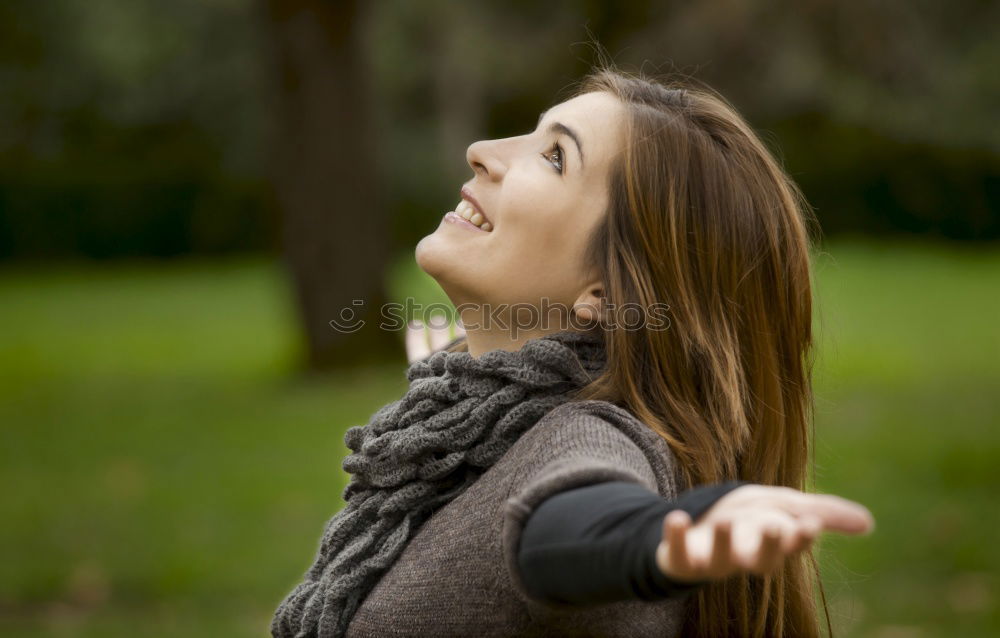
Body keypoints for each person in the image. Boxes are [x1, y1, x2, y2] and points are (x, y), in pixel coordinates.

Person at [271, 64, 875, 638]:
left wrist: (653, 540)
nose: (483, 150)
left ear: (609, 291)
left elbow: (572, 523)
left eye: (555, 156)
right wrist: (455, 368)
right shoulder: (481, 418)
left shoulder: (590, 436)